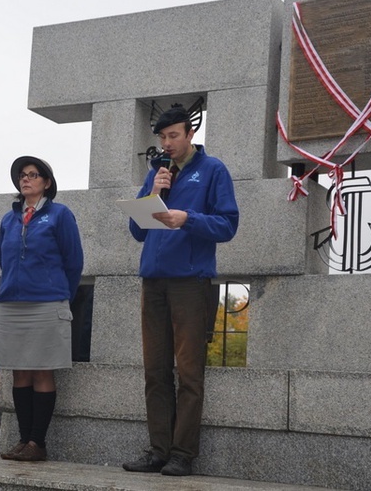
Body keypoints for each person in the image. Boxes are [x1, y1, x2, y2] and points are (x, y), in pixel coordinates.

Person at [122, 106, 239, 476]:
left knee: (189, 372)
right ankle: (158, 449)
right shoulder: (156, 173)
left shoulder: (213, 170)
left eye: (173, 136)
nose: (167, 143)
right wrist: (153, 192)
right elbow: (138, 231)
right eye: (162, 138)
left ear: (189, 134)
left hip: (191, 282)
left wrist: (188, 219)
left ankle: (182, 454)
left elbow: (228, 224)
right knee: (155, 370)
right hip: (153, 281)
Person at [0, 156, 84, 462]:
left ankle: (37, 442)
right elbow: (5, 261)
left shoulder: (60, 214)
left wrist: (60, 296)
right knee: (19, 373)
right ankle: (22, 439)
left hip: (47, 301)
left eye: (33, 175)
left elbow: (73, 262)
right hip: (12, 304)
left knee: (42, 371)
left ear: (46, 182)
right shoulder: (8, 219)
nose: (26, 180)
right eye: (22, 175)